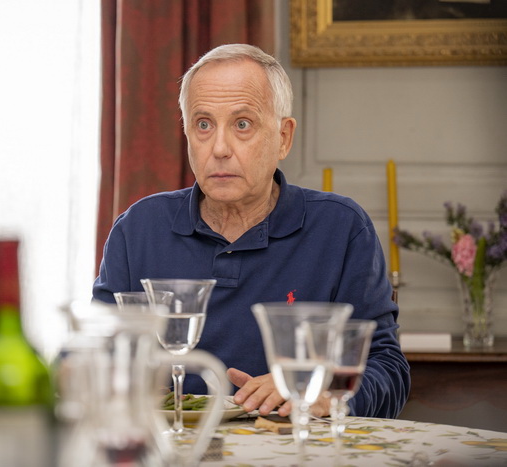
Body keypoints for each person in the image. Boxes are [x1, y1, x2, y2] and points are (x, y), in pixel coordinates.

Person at [93, 44, 410, 419]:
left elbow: (387, 369)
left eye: (242, 124)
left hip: (292, 445)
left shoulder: (342, 229)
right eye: (203, 124)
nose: (220, 148)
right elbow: (92, 352)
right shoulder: (138, 228)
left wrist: (321, 391)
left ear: (283, 137)